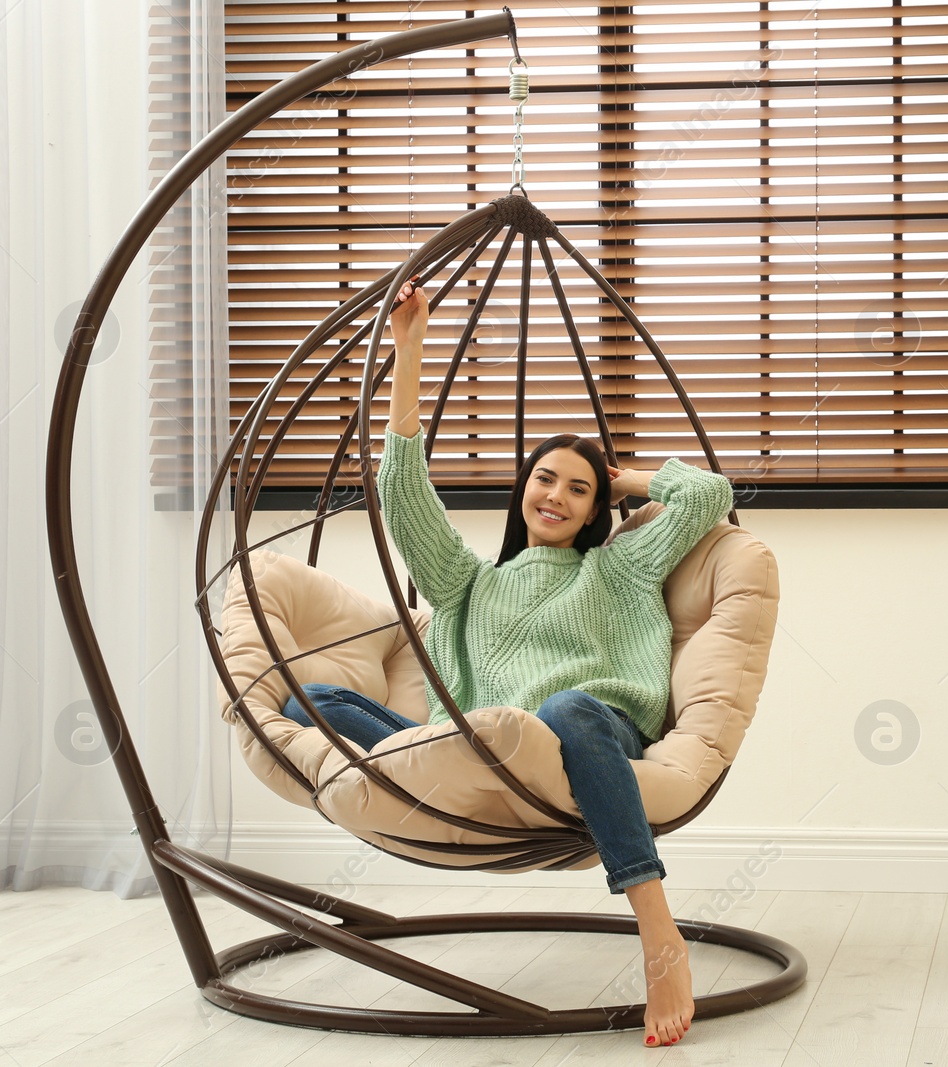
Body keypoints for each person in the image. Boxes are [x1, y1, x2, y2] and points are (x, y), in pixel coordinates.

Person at [281, 274, 733, 1048]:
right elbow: (401, 489)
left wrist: (622, 476)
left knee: (564, 709)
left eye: (578, 488)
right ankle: (406, 766)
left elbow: (707, 495)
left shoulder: (618, 567)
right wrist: (410, 348)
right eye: (545, 477)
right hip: (485, 749)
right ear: (522, 487)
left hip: (592, 733)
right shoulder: (466, 583)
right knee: (305, 699)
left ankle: (657, 929)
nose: (555, 494)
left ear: (597, 509)